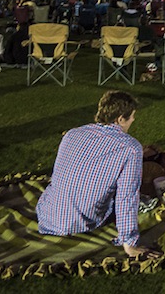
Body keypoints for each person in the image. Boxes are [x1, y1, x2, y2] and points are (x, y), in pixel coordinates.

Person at [36, 91, 158, 259]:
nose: (134, 120)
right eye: (132, 117)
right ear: (120, 119)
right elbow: (126, 197)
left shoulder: (73, 133)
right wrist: (129, 244)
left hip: (47, 215)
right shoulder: (130, 147)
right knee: (133, 197)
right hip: (82, 222)